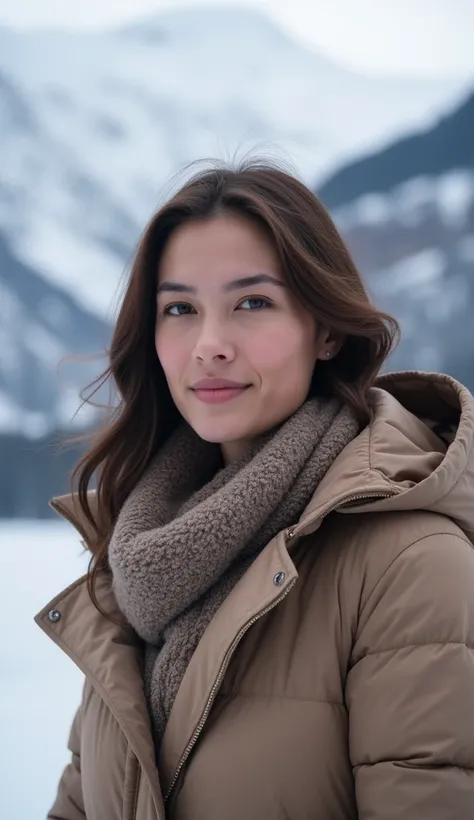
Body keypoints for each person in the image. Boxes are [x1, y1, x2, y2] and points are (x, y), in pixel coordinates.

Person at [36, 161, 474, 820]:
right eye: (180, 309)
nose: (209, 345)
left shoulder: (409, 566)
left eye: (252, 303)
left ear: (325, 330)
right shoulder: (136, 562)